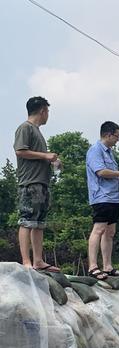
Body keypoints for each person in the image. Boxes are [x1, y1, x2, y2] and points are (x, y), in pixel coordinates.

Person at [14, 96, 61, 272]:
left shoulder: (37, 131)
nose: (48, 115)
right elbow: (20, 151)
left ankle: (38, 261)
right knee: (27, 220)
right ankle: (26, 261)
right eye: (47, 111)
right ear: (42, 110)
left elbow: (36, 155)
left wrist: (52, 161)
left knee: (39, 223)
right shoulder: (25, 128)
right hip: (30, 182)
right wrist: (45, 155)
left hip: (42, 182)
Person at [85, 121, 119, 280]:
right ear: (108, 134)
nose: (117, 140)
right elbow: (101, 172)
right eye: (116, 136)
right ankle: (92, 266)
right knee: (98, 229)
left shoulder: (110, 153)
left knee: (110, 232)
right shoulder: (95, 150)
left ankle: (107, 266)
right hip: (101, 196)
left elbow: (112, 174)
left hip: (113, 197)